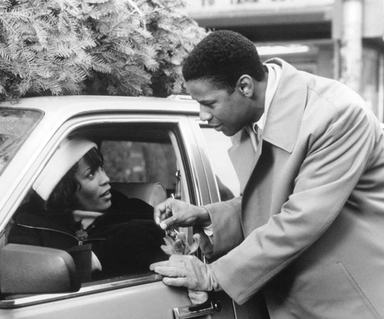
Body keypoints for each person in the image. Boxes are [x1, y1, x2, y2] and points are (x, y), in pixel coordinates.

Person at [150, 30, 384, 318]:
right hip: (293, 300)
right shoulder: (253, 118)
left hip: (351, 304)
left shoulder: (336, 115)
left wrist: (213, 275)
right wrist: (205, 215)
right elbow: (269, 200)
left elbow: (301, 219)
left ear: (245, 87)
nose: (202, 116)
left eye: (209, 103)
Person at [8, 137, 167, 281]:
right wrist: (93, 258)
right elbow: (24, 277)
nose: (106, 179)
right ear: (66, 189)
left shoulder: (131, 210)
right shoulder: (30, 225)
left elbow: (160, 238)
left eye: (101, 168)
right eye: (90, 174)